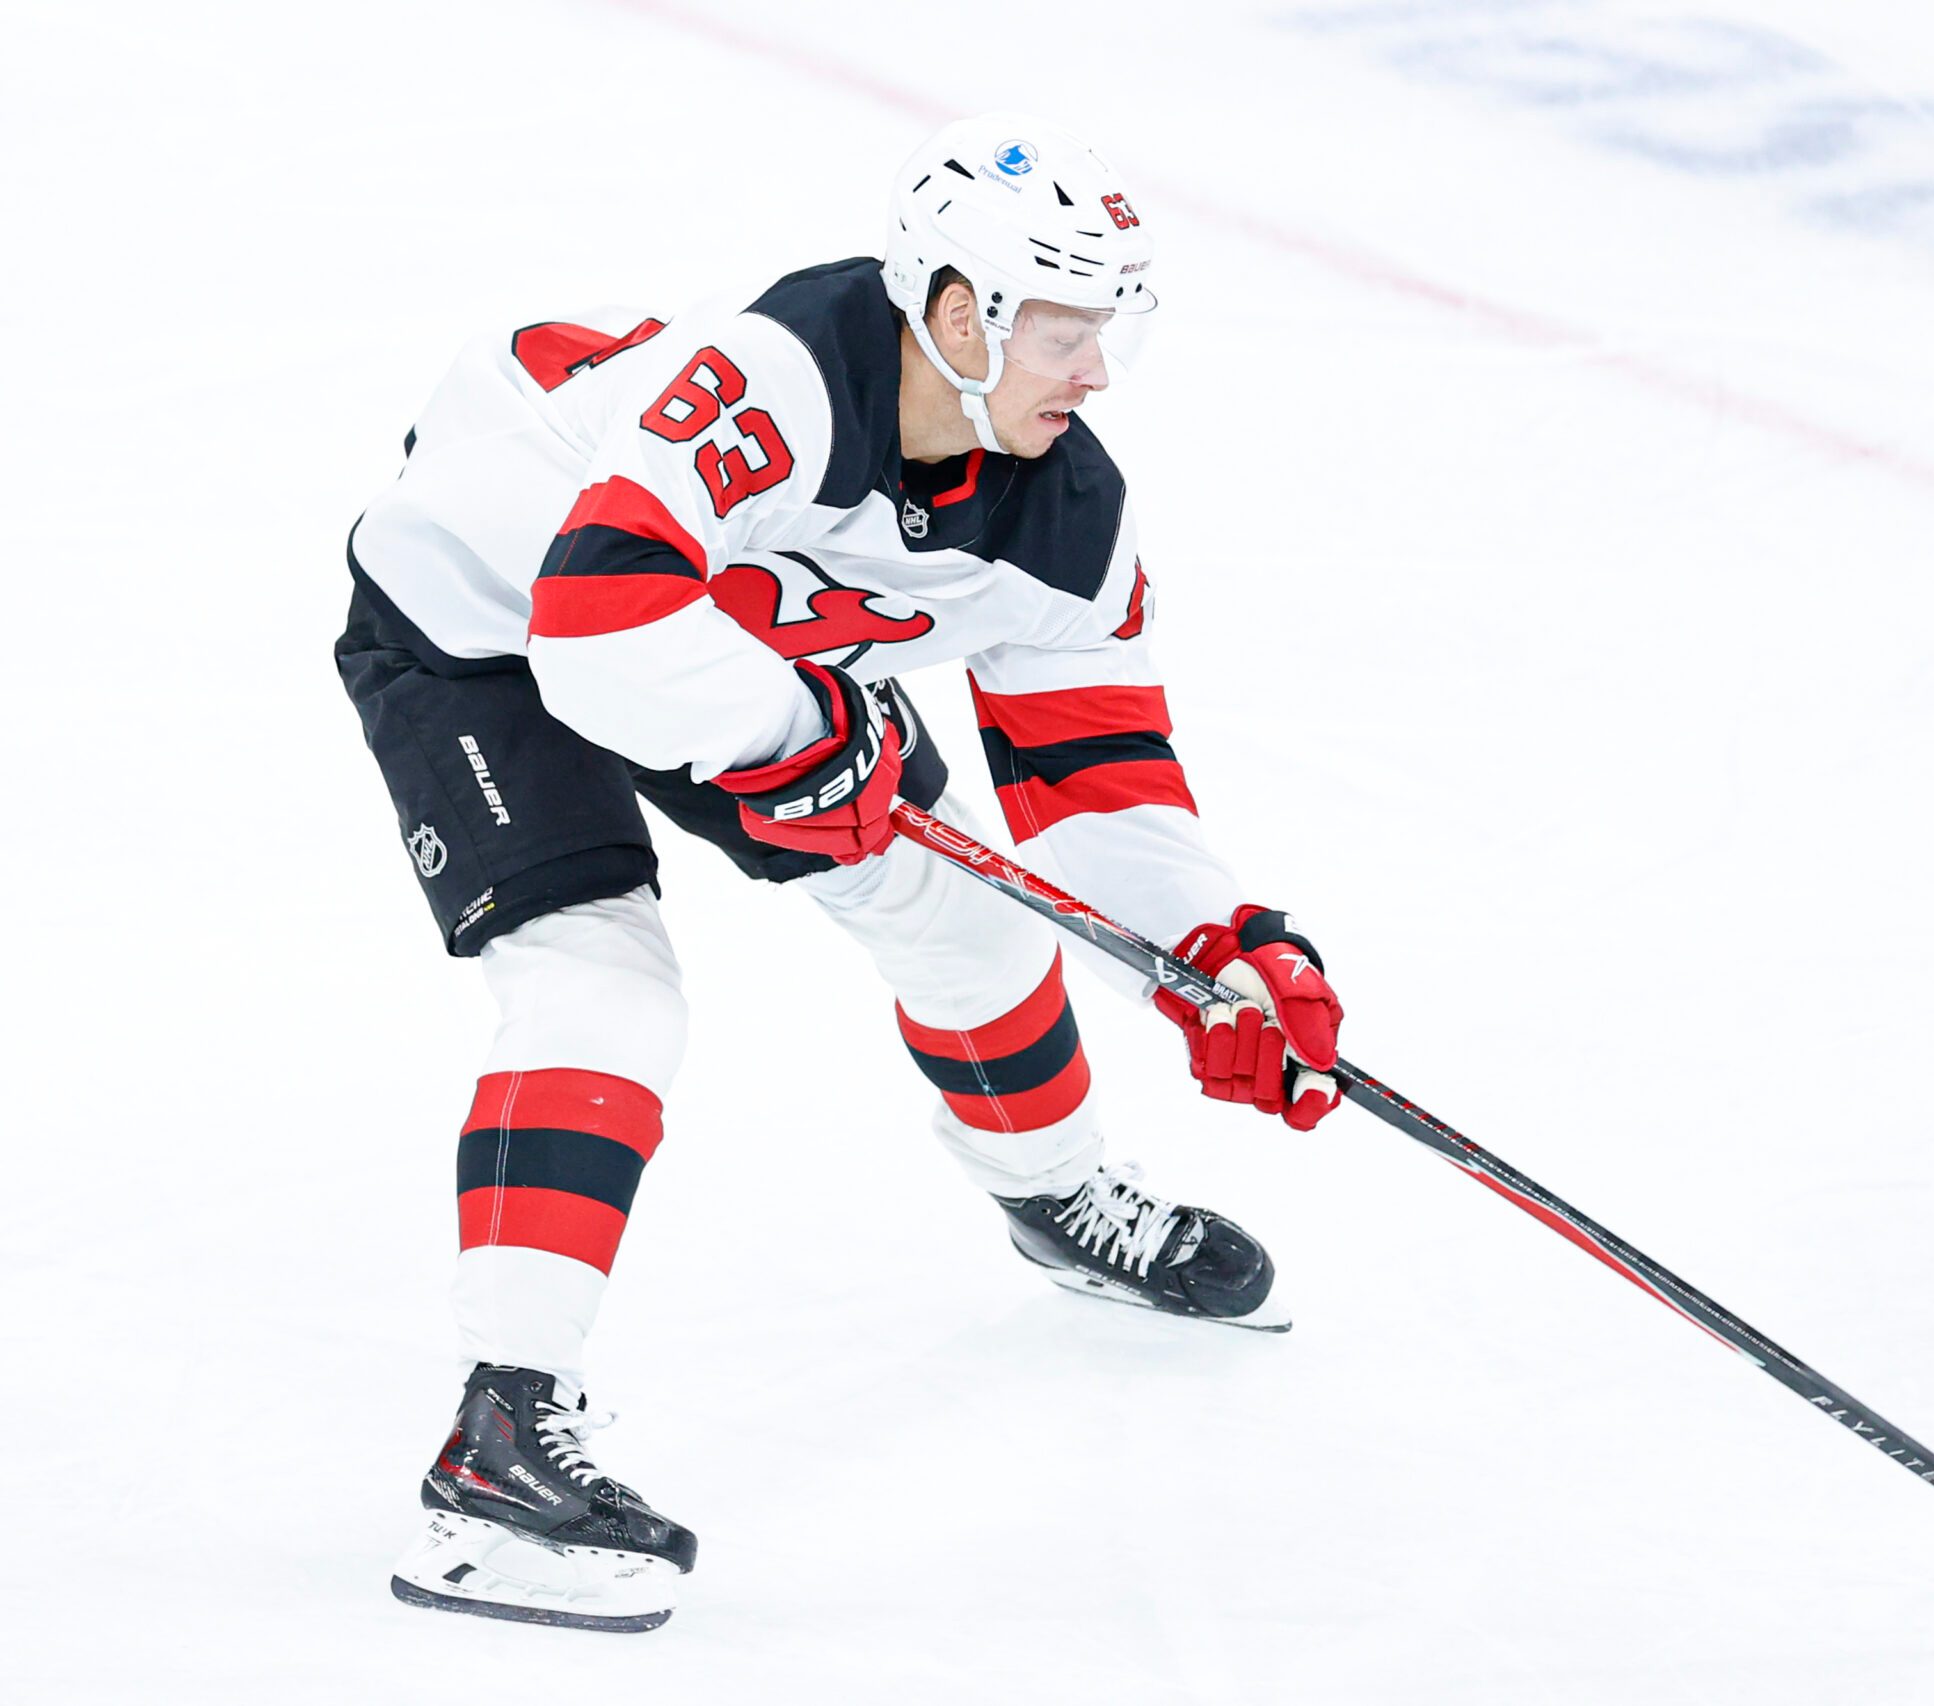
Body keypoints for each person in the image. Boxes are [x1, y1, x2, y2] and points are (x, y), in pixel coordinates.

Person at [335, 112, 1349, 1633]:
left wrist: (1223, 944)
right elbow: (601, 631)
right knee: (604, 992)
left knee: (980, 932)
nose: (1100, 372)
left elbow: (1092, 774)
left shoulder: (1067, 515)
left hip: (727, 656)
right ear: (959, 315)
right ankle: (494, 1449)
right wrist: (803, 726)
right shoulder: (779, 378)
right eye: (1068, 331)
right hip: (483, 630)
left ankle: (1056, 1196)